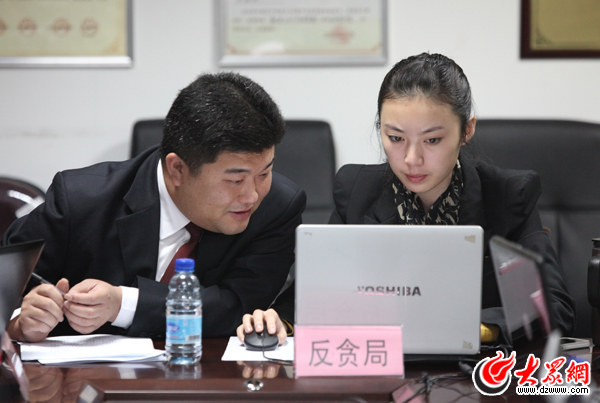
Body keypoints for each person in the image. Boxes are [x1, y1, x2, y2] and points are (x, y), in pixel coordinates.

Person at [242, 52, 576, 343]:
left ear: (467, 130)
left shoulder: (508, 197)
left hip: (473, 375)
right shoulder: (356, 191)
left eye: (432, 140)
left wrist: (473, 329)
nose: (412, 159)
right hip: (380, 370)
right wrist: (279, 320)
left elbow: (554, 308)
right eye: (396, 138)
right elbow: (315, 293)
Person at [3, 72, 305, 344]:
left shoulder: (276, 207)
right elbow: (8, 290)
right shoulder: (82, 199)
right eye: (235, 180)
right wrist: (18, 324)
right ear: (177, 169)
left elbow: (239, 306)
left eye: (265, 173)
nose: (252, 195)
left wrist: (123, 304)